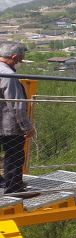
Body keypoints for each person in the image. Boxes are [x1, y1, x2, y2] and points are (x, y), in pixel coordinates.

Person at [0, 42, 35, 195]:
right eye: (21, 58)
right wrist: (27, 127)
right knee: (14, 156)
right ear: (14, 57)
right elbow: (16, 104)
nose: (21, 61)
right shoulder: (9, 75)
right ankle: (14, 189)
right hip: (9, 126)